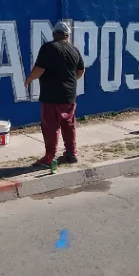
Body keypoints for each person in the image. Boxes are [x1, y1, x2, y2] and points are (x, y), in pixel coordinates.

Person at [24, 21, 85, 167]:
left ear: (54, 34)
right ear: (67, 36)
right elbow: (80, 71)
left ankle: (50, 157)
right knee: (68, 125)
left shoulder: (48, 47)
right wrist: (69, 81)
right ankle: (72, 153)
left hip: (51, 96)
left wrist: (29, 79)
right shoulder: (74, 50)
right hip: (69, 96)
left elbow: (39, 69)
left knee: (50, 127)